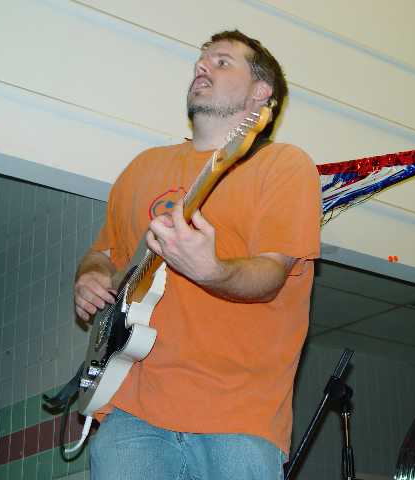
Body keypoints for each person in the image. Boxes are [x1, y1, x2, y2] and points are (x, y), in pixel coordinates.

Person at [74, 30, 321, 479]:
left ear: (260, 92)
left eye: (222, 62)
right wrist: (89, 276)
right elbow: (102, 255)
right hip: (130, 410)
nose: (201, 67)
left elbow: (271, 273)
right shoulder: (142, 167)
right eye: (201, 61)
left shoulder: (284, 165)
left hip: (238, 416)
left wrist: (213, 271)